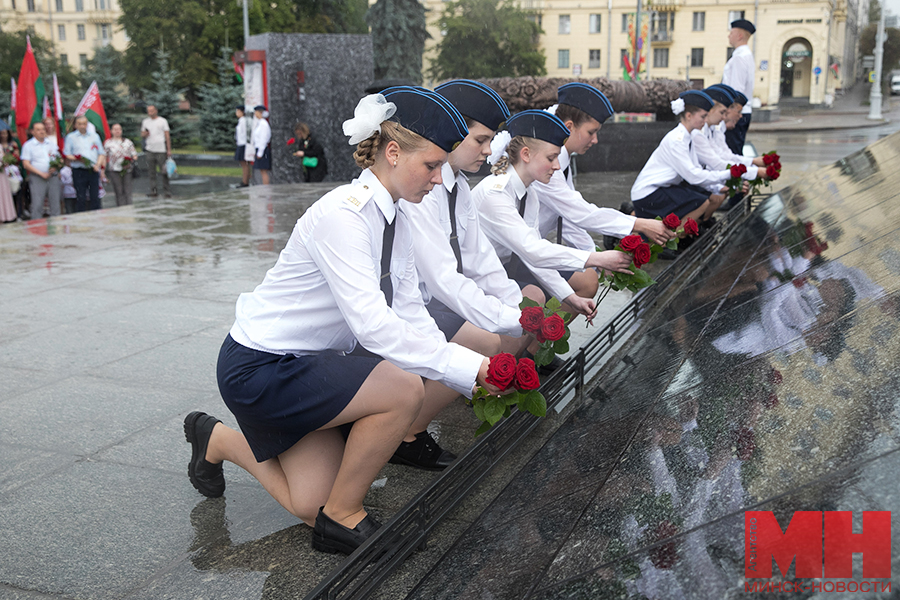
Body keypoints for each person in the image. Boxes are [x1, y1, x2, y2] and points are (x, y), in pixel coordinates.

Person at [184, 89, 502, 555]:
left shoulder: (399, 218)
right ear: (393, 153)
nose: (438, 178)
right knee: (402, 388)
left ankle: (219, 440)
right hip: (263, 368)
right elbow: (373, 324)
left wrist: (464, 367)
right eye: (431, 165)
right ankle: (343, 518)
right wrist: (464, 367)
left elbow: (411, 309)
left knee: (306, 500)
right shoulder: (343, 215)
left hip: (314, 366)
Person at [397, 81, 538, 470]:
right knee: (485, 341)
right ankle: (407, 436)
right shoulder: (424, 185)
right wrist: (512, 318)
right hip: (413, 303)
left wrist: (519, 309)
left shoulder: (458, 185)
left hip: (433, 299)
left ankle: (476, 390)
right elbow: (442, 278)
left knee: (512, 322)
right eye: (480, 140)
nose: (489, 150)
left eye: (490, 140)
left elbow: (481, 260)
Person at [472, 110, 633, 320]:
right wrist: (596, 257)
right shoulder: (496, 193)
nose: (557, 166)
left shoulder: (530, 193)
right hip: (479, 276)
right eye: (551, 158)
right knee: (532, 299)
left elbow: (534, 255)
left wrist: (570, 298)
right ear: (526, 154)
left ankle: (530, 350)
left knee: (569, 287)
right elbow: (533, 251)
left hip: (506, 266)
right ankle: (508, 352)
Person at [531, 83, 677, 251]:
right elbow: (580, 213)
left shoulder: (561, 159)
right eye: (591, 132)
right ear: (568, 127)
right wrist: (640, 224)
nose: (595, 140)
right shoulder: (546, 163)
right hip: (513, 259)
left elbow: (569, 221)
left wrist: (595, 259)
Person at [630, 91, 754, 226]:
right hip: (649, 192)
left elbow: (696, 170)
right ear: (688, 116)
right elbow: (693, 176)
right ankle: (670, 238)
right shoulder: (677, 140)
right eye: (702, 116)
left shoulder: (687, 137)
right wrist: (729, 174)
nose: (705, 120)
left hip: (664, 188)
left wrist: (719, 187)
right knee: (700, 202)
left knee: (702, 199)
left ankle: (678, 235)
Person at [722, 19, 756, 155]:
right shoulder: (746, 55)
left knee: (732, 154)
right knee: (734, 152)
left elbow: (736, 90)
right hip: (741, 113)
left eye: (731, 33)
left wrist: (731, 116)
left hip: (736, 114)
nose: (729, 36)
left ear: (740, 36)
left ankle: (737, 177)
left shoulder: (740, 57)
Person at [64, 115, 106, 212]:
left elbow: (101, 153)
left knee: (95, 196)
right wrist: (77, 159)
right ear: (76, 125)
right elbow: (67, 154)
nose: (82, 126)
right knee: (81, 196)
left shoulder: (94, 136)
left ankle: (96, 216)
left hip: (93, 169)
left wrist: (97, 165)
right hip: (79, 170)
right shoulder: (71, 137)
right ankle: (81, 217)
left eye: (84, 124)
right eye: (80, 124)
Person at [22, 121, 63, 219]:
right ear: (33, 132)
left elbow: (60, 159)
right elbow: (26, 164)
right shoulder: (28, 145)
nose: (41, 131)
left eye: (43, 129)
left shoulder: (51, 144)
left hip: (53, 177)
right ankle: (37, 229)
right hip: (37, 178)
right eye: (38, 130)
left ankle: (57, 228)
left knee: (55, 204)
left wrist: (57, 166)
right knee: (37, 204)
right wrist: (41, 173)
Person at [141, 104, 172, 198]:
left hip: (161, 149)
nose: (150, 113)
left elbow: (167, 135)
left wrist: (168, 149)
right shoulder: (145, 122)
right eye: (148, 111)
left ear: (156, 111)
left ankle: (167, 191)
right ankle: (153, 191)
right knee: (151, 172)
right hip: (150, 149)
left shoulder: (162, 121)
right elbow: (142, 134)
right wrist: (145, 134)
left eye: (152, 111)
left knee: (164, 171)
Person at [103, 123, 138, 206]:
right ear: (111, 131)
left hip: (127, 169)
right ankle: (121, 208)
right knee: (118, 191)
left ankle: (129, 207)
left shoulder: (128, 142)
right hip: (114, 170)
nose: (117, 131)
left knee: (127, 190)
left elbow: (135, 155)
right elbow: (104, 156)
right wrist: (102, 170)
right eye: (115, 129)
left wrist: (130, 161)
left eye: (119, 129)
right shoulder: (108, 143)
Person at [251, 105, 272, 185]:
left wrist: (260, 152)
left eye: (256, 112)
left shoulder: (263, 124)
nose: (255, 114)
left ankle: (265, 187)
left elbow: (263, 139)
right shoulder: (260, 123)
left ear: (260, 113)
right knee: (262, 170)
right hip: (259, 148)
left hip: (262, 149)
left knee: (264, 171)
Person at [234, 106, 252, 187]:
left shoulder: (243, 121)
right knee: (243, 164)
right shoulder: (241, 120)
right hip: (240, 143)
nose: (236, 113)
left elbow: (244, 133)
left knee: (244, 164)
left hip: (243, 144)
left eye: (238, 111)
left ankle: (245, 181)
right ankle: (244, 180)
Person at [0, 143, 15, 222]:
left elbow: (4, 158)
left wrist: (6, 161)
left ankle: (3, 218)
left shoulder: (0, 146)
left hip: (2, 176)